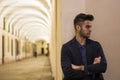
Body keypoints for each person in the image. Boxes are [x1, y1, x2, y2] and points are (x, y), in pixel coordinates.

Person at [61, 13, 107, 80]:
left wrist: (80, 68)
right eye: (87, 27)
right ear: (78, 27)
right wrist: (92, 68)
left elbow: (103, 67)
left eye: (90, 27)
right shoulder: (66, 48)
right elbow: (68, 73)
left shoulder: (96, 45)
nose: (90, 29)